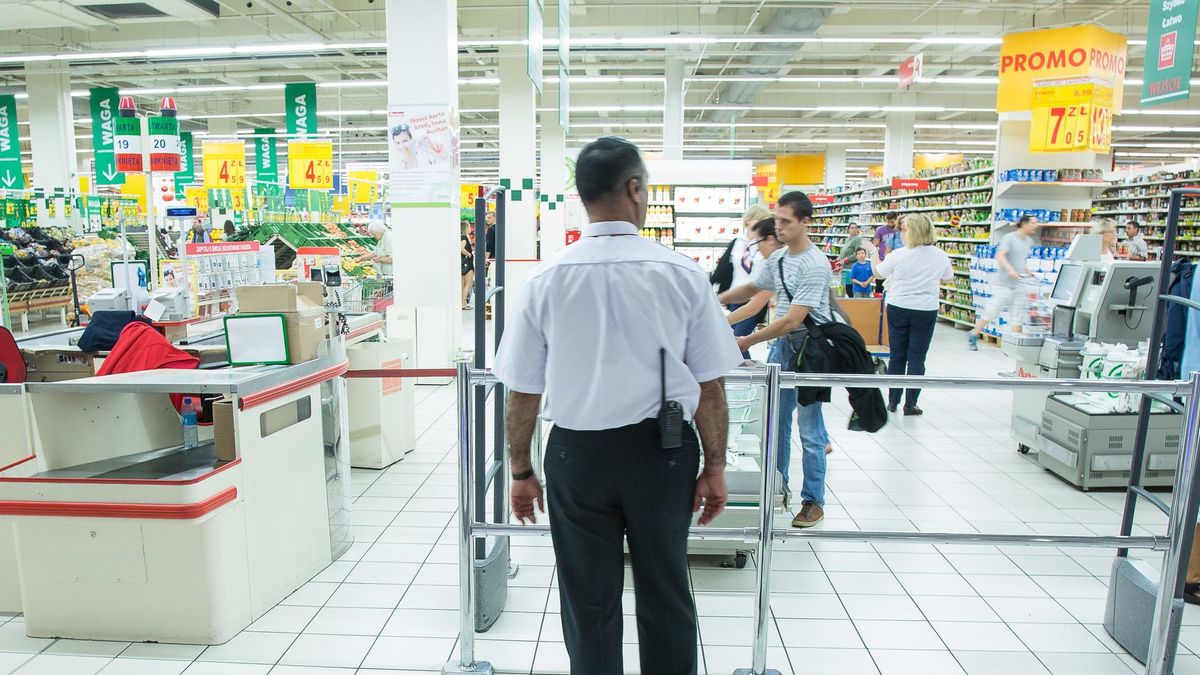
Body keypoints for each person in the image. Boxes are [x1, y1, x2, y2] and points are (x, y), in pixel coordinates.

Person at [494, 136, 742, 675]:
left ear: (583, 195)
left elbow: (523, 391)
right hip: (662, 455)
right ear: (634, 189)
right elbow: (710, 386)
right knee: (666, 593)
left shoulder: (544, 280)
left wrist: (521, 471)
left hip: (576, 457)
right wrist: (716, 465)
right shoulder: (681, 275)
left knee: (587, 600)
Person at [718, 190, 832, 528]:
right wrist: (714, 299)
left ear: (805, 222)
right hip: (783, 349)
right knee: (776, 424)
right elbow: (753, 289)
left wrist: (746, 341)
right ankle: (776, 488)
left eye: (785, 221)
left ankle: (813, 501)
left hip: (810, 351)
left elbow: (793, 319)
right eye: (777, 220)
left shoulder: (815, 264)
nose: (778, 226)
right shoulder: (781, 258)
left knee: (810, 429)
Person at [872, 214, 954, 415]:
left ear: (913, 232)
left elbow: (879, 273)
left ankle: (893, 401)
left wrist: (874, 253)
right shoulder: (940, 255)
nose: (901, 233)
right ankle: (910, 404)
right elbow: (947, 277)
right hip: (926, 309)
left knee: (897, 355)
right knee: (917, 358)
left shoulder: (899, 254)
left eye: (904, 229)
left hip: (899, 306)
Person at [968, 215, 1039, 350]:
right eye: (1033, 223)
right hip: (1005, 284)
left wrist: (1027, 271)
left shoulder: (1029, 241)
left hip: (1020, 283)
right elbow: (1000, 255)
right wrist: (1010, 270)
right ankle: (974, 333)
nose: (1036, 225)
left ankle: (1017, 346)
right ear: (1024, 224)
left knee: (1017, 315)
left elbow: (1021, 260)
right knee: (992, 310)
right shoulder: (1009, 238)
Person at [721, 204, 773, 358]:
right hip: (736, 298)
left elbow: (754, 304)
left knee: (738, 341)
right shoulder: (738, 242)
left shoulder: (767, 249)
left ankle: (746, 371)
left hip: (755, 300)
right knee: (733, 341)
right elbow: (725, 270)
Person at [873, 212, 902, 293]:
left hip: (898, 263)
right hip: (883, 260)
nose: (890, 224)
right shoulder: (880, 230)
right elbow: (875, 245)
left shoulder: (901, 231)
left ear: (896, 220)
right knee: (880, 285)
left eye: (892, 222)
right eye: (888, 222)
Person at [460, 220, 474, 310]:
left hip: (463, 263)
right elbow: (461, 248)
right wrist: (469, 254)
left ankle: (463, 302)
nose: (470, 228)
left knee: (463, 284)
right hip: (467, 263)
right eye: (469, 226)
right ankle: (463, 303)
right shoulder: (464, 237)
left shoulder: (461, 236)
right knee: (468, 284)